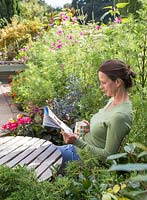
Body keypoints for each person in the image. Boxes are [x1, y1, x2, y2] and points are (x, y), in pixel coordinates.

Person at [58, 59, 136, 166]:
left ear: (117, 82)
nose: (100, 87)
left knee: (37, 159)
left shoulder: (120, 116)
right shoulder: (113, 100)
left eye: (103, 82)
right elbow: (105, 130)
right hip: (75, 150)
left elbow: (108, 156)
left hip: (84, 160)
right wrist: (92, 128)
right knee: (40, 152)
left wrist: (76, 141)